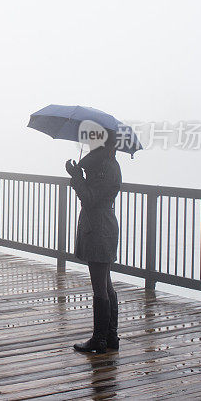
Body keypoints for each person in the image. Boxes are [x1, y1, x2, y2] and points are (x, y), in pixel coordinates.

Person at [65, 129, 122, 353]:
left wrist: (77, 177)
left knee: (100, 287)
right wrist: (79, 175)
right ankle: (111, 337)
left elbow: (90, 200)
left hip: (98, 228)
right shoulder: (110, 165)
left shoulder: (103, 169)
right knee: (106, 283)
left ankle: (99, 339)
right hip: (104, 225)